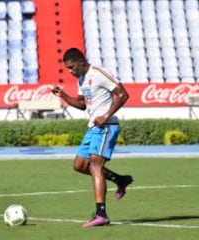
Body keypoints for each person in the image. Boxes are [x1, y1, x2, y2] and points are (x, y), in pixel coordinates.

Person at [52, 48, 133, 227]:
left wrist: (106, 115)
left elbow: (123, 94)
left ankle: (101, 214)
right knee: (80, 166)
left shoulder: (98, 73)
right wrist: (63, 95)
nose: (70, 71)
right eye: (68, 69)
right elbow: (82, 104)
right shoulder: (81, 79)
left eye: (72, 67)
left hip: (106, 126)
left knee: (95, 165)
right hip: (93, 127)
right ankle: (120, 179)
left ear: (81, 61)